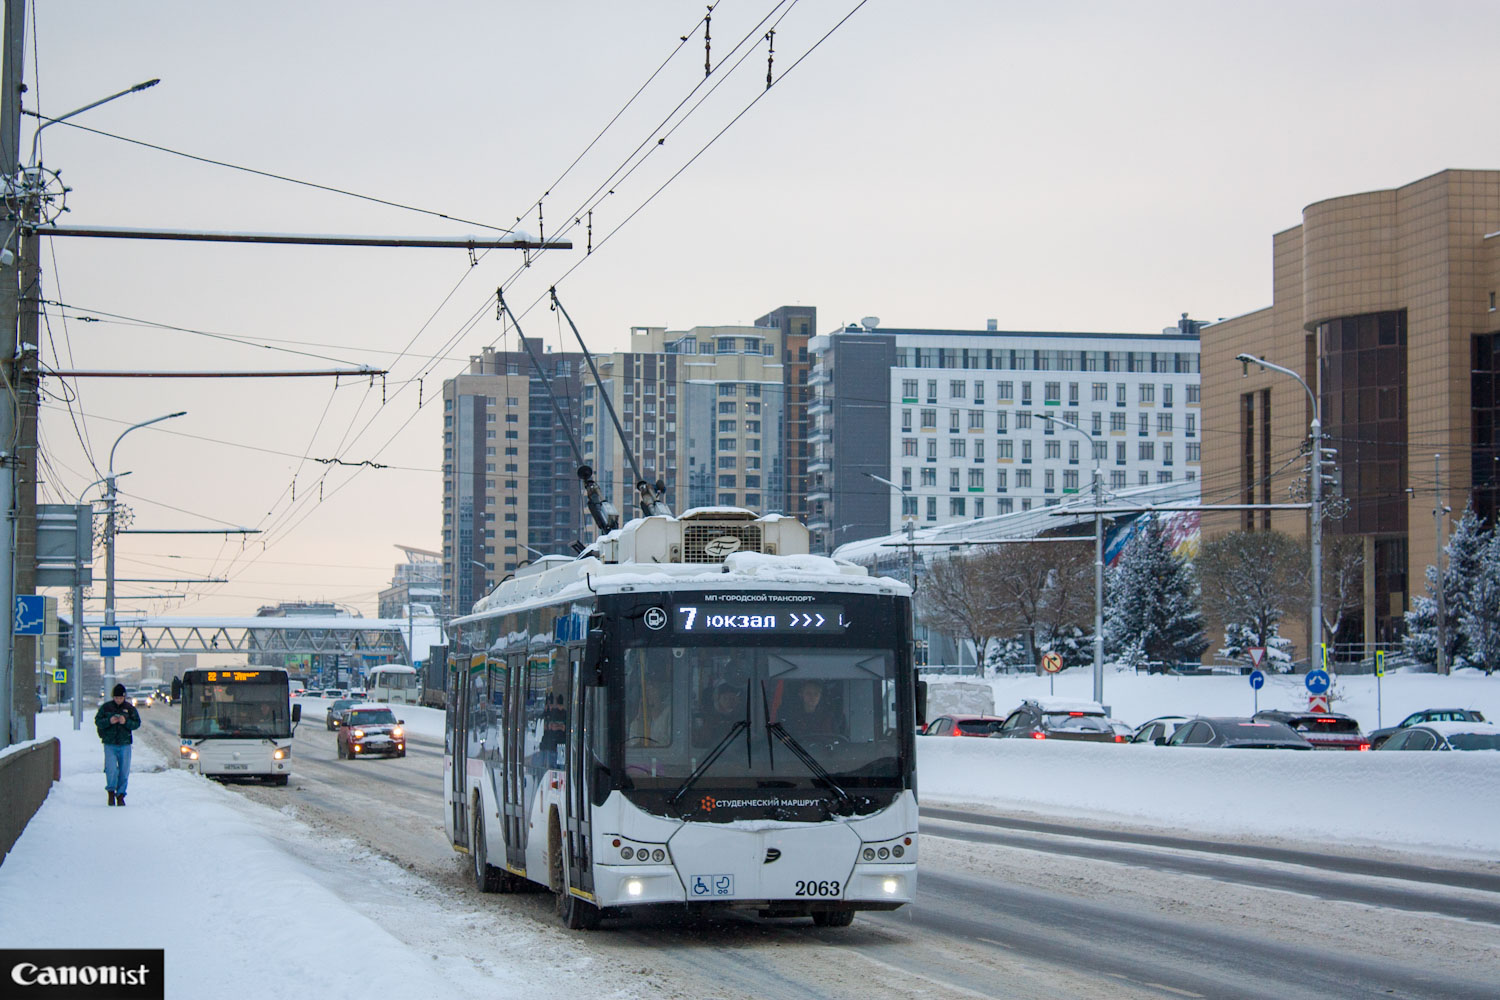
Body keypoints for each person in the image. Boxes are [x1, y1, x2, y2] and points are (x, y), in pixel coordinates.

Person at [94, 683, 141, 806]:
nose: (118, 700)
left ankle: (120, 795)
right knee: (111, 769)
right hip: (110, 743)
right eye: (116, 698)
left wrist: (126, 722)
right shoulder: (106, 708)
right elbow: (98, 721)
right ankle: (110, 792)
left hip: (125, 743)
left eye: (120, 698)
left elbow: (137, 723)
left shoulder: (129, 708)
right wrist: (109, 721)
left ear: (124, 697)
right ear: (113, 697)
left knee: (124, 771)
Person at [627, 671, 673, 746]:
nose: (650, 693)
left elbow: (671, 745)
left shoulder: (670, 714)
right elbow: (633, 744)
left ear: (660, 691)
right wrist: (641, 719)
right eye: (647, 690)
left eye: (653, 688)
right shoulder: (637, 721)